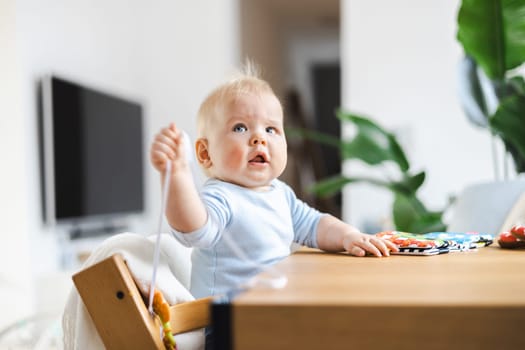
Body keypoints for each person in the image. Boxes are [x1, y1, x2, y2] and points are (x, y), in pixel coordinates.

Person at [150, 63, 398, 300]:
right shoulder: (222, 195)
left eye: (271, 129)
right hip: (225, 320)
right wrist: (178, 175)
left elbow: (314, 225)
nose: (259, 138)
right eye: (240, 128)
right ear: (205, 154)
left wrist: (348, 235)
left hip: (269, 306)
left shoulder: (280, 193)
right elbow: (194, 231)